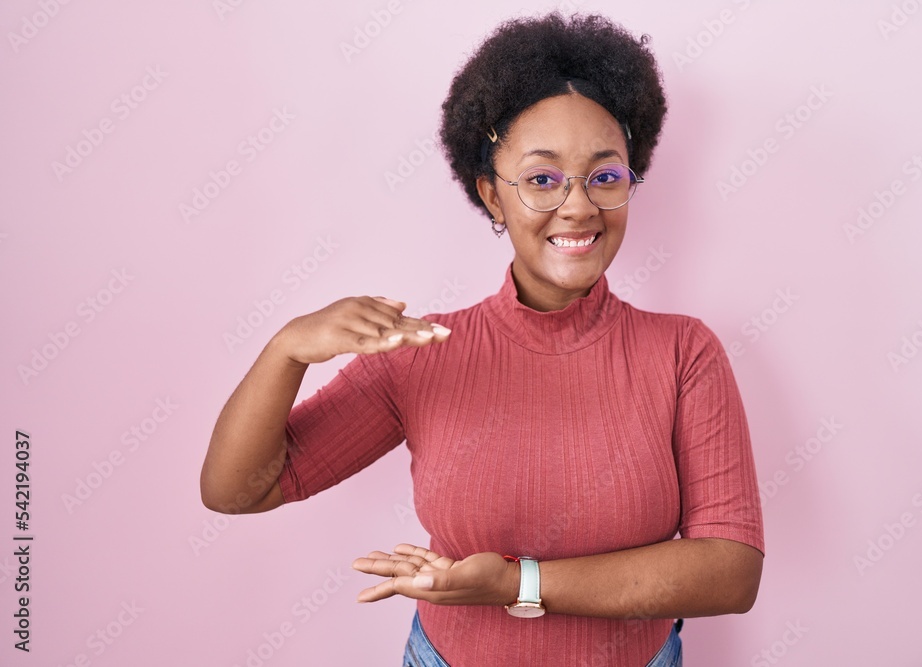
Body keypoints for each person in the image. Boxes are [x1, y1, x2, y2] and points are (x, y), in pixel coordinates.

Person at [201, 11, 764, 666]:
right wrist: (287, 349)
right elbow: (237, 489)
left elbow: (730, 570)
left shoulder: (684, 353)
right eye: (542, 178)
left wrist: (518, 583)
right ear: (492, 196)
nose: (579, 206)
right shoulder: (423, 353)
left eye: (605, 176)